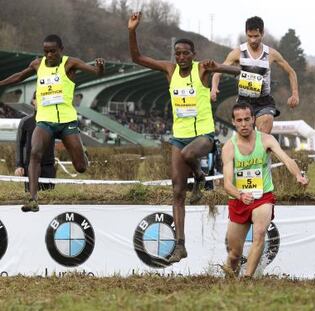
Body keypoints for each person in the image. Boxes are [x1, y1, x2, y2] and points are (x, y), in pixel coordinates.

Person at [128, 12, 240, 263]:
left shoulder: (202, 69)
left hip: (203, 135)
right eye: (177, 53)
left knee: (190, 154)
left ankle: (200, 175)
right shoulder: (170, 70)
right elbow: (137, 58)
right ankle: (180, 245)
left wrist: (218, 67)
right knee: (177, 191)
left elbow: (238, 70)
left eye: (185, 53)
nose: (180, 57)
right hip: (178, 136)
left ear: (194, 54)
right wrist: (132, 30)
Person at [0, 34, 105, 212]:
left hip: (66, 121)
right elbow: (19, 77)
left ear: (61, 50)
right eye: (46, 51)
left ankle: (83, 153)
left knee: (80, 168)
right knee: (34, 153)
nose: (49, 55)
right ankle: (33, 199)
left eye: (53, 51)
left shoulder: (70, 63)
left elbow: (96, 72)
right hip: (45, 119)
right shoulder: (37, 64)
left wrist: (100, 67)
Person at [222, 103, 308, 277]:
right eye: (239, 120)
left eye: (247, 119)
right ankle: (229, 284)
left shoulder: (266, 140)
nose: (244, 124)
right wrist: (240, 194)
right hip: (239, 200)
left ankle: (247, 279)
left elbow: (286, 159)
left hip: (262, 196)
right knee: (234, 254)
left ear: (253, 119)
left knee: (260, 233)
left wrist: (298, 175)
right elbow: (227, 184)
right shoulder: (229, 148)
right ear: (234, 122)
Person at [211, 16, 299, 134]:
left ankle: (263, 149)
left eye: (256, 36)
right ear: (246, 33)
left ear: (262, 33)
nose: (253, 40)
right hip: (244, 102)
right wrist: (214, 88)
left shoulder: (271, 54)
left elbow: (291, 72)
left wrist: (295, 94)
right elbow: (219, 71)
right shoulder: (238, 52)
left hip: (264, 101)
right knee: (247, 138)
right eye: (250, 36)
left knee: (265, 128)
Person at [15, 92, 56, 192]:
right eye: (38, 98)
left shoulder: (53, 121)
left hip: (48, 166)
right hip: (30, 166)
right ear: (33, 101)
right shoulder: (25, 121)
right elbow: (19, 144)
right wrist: (19, 165)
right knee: (31, 197)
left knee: (49, 198)